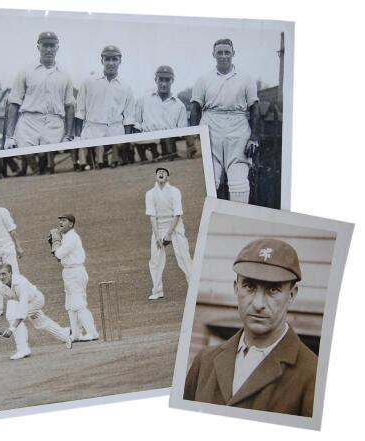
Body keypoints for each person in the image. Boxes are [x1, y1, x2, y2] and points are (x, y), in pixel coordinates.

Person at [184, 238, 317, 417]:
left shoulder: (313, 374)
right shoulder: (204, 362)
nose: (258, 304)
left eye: (273, 290)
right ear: (236, 288)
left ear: (291, 295)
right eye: (249, 286)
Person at [190, 38, 261, 203]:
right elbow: (195, 108)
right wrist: (194, 137)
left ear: (233, 54)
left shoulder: (246, 78)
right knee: (209, 181)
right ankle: (206, 223)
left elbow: (254, 108)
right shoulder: (203, 79)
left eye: (227, 52)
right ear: (213, 54)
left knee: (239, 185)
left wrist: (254, 137)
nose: (223, 56)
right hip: (210, 126)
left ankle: (237, 224)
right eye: (219, 52)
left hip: (238, 127)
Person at [4, 31, 75, 174]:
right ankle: (35, 171)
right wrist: (9, 136)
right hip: (29, 121)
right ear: (38, 47)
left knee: (47, 161)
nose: (49, 49)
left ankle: (45, 173)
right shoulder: (26, 71)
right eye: (45, 45)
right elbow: (14, 103)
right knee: (28, 153)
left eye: (52, 46)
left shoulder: (65, 74)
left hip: (54, 122)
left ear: (57, 48)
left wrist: (68, 135)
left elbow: (69, 106)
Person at [0, 263, 72, 360]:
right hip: (19, 302)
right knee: (40, 322)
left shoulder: (20, 282)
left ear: (10, 273)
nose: (1, 277)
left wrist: (12, 328)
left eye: (4, 274)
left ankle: (23, 349)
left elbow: (23, 309)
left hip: (35, 300)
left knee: (13, 317)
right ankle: (65, 333)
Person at [75, 45, 135, 169]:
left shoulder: (126, 85)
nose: (111, 63)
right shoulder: (89, 82)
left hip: (116, 129)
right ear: (101, 60)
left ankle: (114, 160)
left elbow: (129, 116)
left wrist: (127, 140)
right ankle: (90, 163)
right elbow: (80, 112)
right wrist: (77, 137)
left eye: (114, 59)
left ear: (120, 61)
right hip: (92, 128)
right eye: (107, 59)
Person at [50, 214, 99, 341]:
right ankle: (76, 334)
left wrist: (55, 242)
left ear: (71, 224)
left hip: (76, 272)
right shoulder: (66, 237)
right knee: (70, 306)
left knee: (79, 305)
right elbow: (58, 258)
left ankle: (92, 333)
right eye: (60, 220)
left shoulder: (72, 237)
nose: (60, 222)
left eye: (64, 221)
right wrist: (56, 243)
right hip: (68, 272)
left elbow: (59, 254)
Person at [145, 168, 192, 300]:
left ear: (168, 178)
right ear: (155, 177)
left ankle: (194, 287)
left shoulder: (174, 192)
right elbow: (152, 217)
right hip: (158, 227)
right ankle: (157, 290)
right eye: (158, 172)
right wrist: (157, 236)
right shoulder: (150, 194)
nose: (161, 173)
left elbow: (177, 214)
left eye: (164, 173)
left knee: (184, 256)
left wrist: (169, 234)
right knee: (155, 260)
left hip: (175, 226)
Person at [134, 65, 188, 161]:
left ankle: (168, 155)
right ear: (155, 80)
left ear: (172, 81)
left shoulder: (180, 106)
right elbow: (137, 124)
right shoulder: (142, 101)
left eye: (167, 80)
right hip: (147, 138)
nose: (163, 84)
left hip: (169, 140)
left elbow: (182, 131)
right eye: (161, 80)